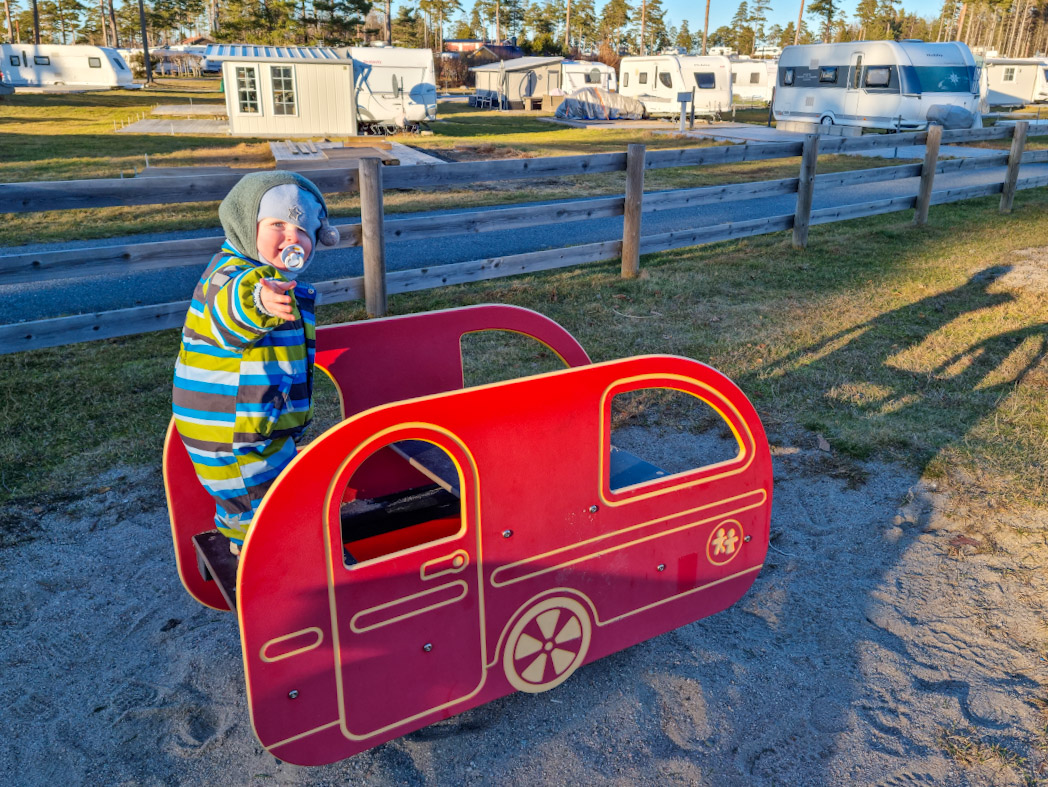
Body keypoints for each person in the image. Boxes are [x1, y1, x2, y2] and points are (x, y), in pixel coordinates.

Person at [172, 171, 340, 554]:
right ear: (248, 226)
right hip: (236, 426)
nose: (291, 238)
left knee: (256, 493)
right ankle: (264, 558)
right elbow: (232, 309)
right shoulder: (234, 276)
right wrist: (260, 303)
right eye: (277, 224)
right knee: (257, 502)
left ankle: (253, 541)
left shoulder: (268, 275)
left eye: (303, 229)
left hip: (256, 416)